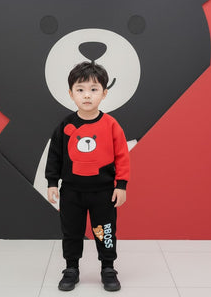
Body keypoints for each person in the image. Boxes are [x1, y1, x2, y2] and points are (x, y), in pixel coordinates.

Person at [45, 61, 130, 292]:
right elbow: (55, 155)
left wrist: (121, 185)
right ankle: (71, 268)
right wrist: (52, 183)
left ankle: (108, 268)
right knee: (71, 231)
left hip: (103, 193)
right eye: (80, 89)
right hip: (71, 192)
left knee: (105, 231)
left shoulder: (111, 125)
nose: (87, 95)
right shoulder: (65, 125)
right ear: (71, 93)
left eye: (93, 89)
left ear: (104, 93)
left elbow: (122, 156)